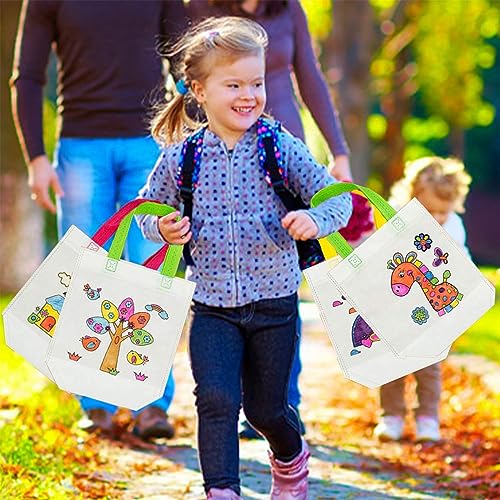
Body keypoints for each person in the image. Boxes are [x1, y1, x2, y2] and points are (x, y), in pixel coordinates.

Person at [137, 16, 352, 498]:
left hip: (274, 303)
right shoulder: (182, 157)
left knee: (266, 410)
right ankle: (223, 490)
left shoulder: (278, 146)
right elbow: (146, 212)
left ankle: (291, 460)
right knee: (215, 400)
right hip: (212, 306)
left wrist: (316, 221)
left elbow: (338, 198)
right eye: (233, 84)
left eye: (256, 83)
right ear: (198, 89)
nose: (249, 95)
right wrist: (164, 228)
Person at [10, 0, 187, 440]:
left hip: (150, 144)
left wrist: (190, 138)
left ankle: (151, 402)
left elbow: (185, 62)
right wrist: (35, 158)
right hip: (80, 147)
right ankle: (95, 402)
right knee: (88, 271)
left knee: (149, 270)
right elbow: (27, 77)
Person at [186, 0, 353, 439]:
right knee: (234, 284)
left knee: (278, 277)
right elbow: (191, 76)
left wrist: (339, 152)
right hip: (223, 153)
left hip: (279, 158)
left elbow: (310, 77)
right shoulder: (201, 8)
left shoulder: (288, 9)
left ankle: (280, 405)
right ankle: (247, 402)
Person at [374, 156, 472, 443]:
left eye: (444, 211)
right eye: (430, 210)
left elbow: (460, 263)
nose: (437, 218)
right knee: (391, 363)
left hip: (434, 312)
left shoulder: (453, 226)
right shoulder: (397, 221)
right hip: (397, 309)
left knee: (428, 368)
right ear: (412, 197)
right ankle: (391, 416)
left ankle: (427, 419)